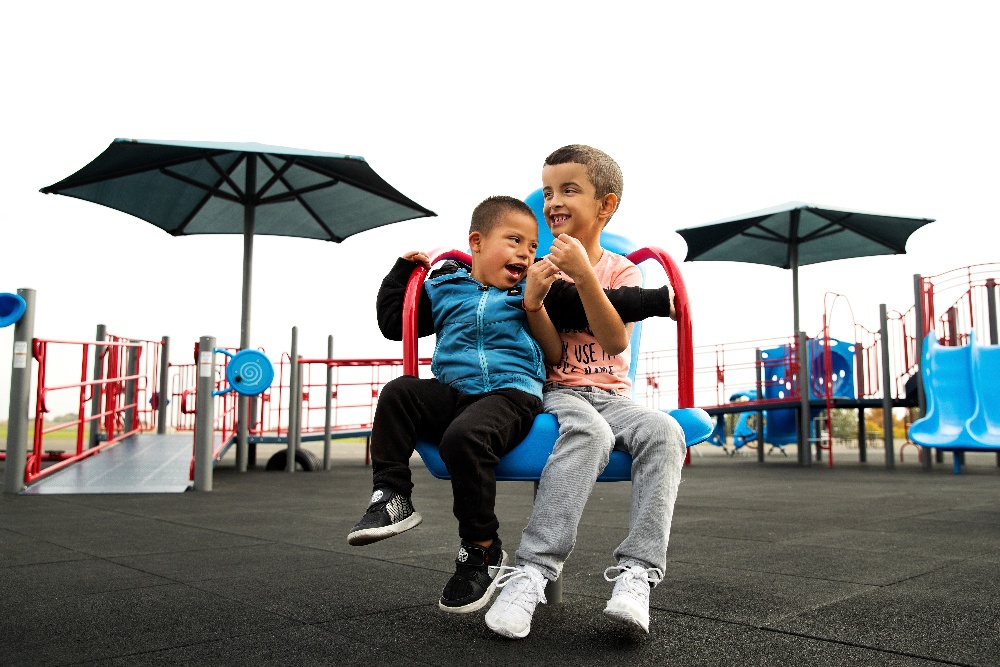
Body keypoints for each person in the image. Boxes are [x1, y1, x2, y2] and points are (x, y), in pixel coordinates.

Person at [347, 195, 673, 616]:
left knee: (463, 438)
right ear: (477, 243)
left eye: (533, 245)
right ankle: (392, 496)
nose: (526, 252)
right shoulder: (446, 288)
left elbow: (599, 302)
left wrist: (660, 301)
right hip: (455, 387)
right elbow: (395, 324)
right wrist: (402, 271)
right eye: (515, 240)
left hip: (512, 392)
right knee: (398, 392)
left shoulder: (533, 288)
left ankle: (480, 550)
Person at [485, 145, 686, 639]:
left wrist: (583, 274)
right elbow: (553, 356)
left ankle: (638, 573)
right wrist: (535, 304)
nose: (554, 201)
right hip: (563, 391)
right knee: (590, 434)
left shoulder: (623, 272)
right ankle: (531, 572)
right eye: (549, 191)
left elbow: (616, 339)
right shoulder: (541, 270)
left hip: (615, 396)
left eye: (569, 190)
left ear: (605, 205)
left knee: (665, 431)